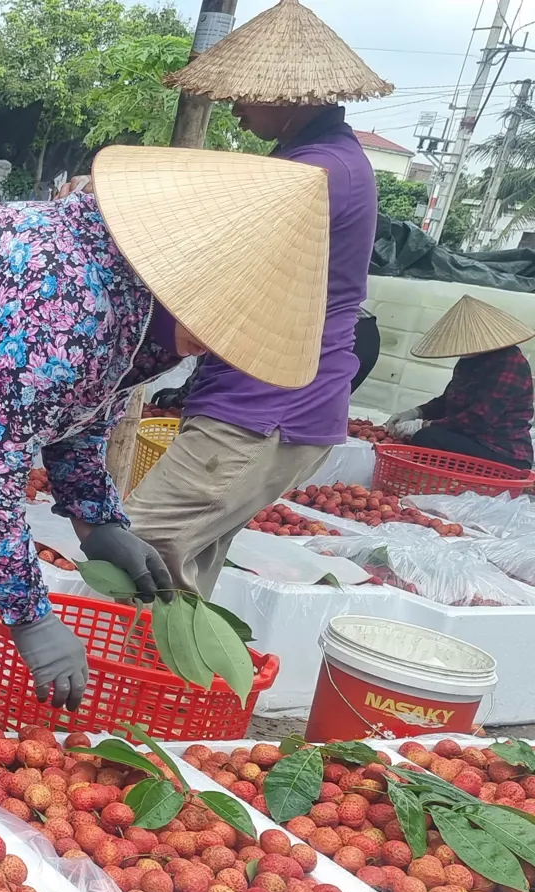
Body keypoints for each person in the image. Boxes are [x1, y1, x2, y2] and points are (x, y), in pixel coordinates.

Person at [0, 146, 330, 732]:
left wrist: (96, 518)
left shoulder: (144, 307)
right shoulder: (67, 295)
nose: (219, 344)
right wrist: (29, 615)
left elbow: (78, 403)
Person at [117, 0, 391, 597]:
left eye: (246, 93)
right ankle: (170, 686)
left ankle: (119, 681)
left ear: (294, 99)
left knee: (134, 550)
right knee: (180, 576)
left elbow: (208, 243)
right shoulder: (313, 161)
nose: (234, 106)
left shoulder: (317, 173)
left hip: (266, 410)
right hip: (264, 400)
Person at [389, 295, 535, 470]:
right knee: (420, 437)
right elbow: (449, 400)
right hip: (473, 439)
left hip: (502, 452)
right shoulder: (469, 361)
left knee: (426, 437)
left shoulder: (510, 364)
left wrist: (425, 424)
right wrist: (416, 412)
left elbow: (478, 418)